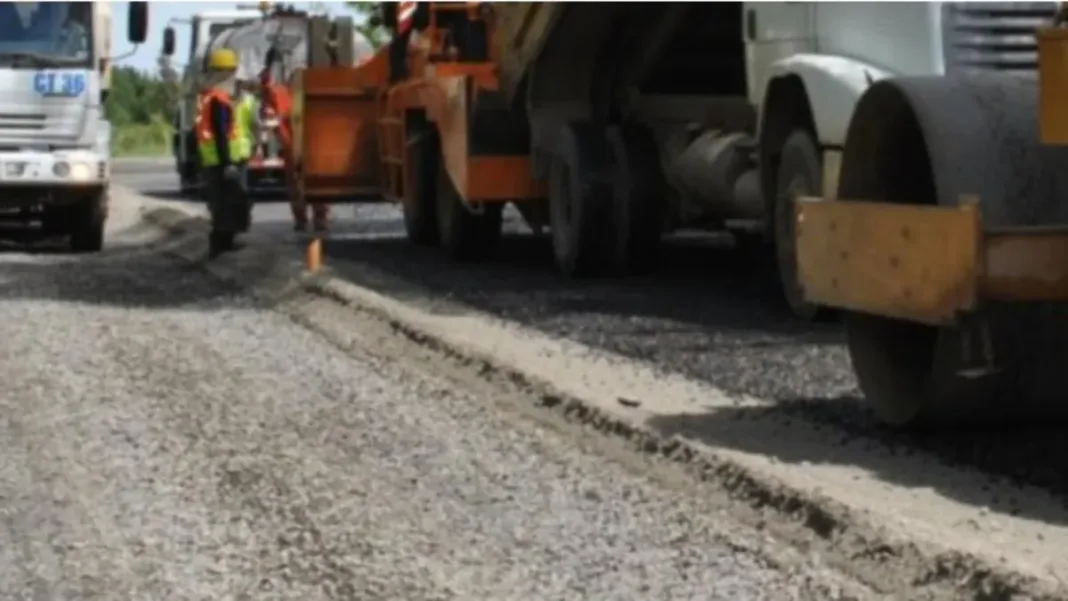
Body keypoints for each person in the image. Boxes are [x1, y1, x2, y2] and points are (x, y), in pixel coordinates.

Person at [259, 53, 330, 232]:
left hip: (307, 149)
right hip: (296, 149)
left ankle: (314, 218)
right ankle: (306, 219)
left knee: (312, 185)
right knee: (303, 185)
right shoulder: (284, 96)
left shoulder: (305, 96)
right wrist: (268, 67)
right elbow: (267, 89)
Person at [195, 48, 253, 257]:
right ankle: (222, 245)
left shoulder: (207, 97)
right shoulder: (219, 98)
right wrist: (228, 162)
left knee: (221, 204)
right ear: (228, 72)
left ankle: (220, 245)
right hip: (223, 160)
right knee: (229, 203)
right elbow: (221, 132)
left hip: (212, 160)